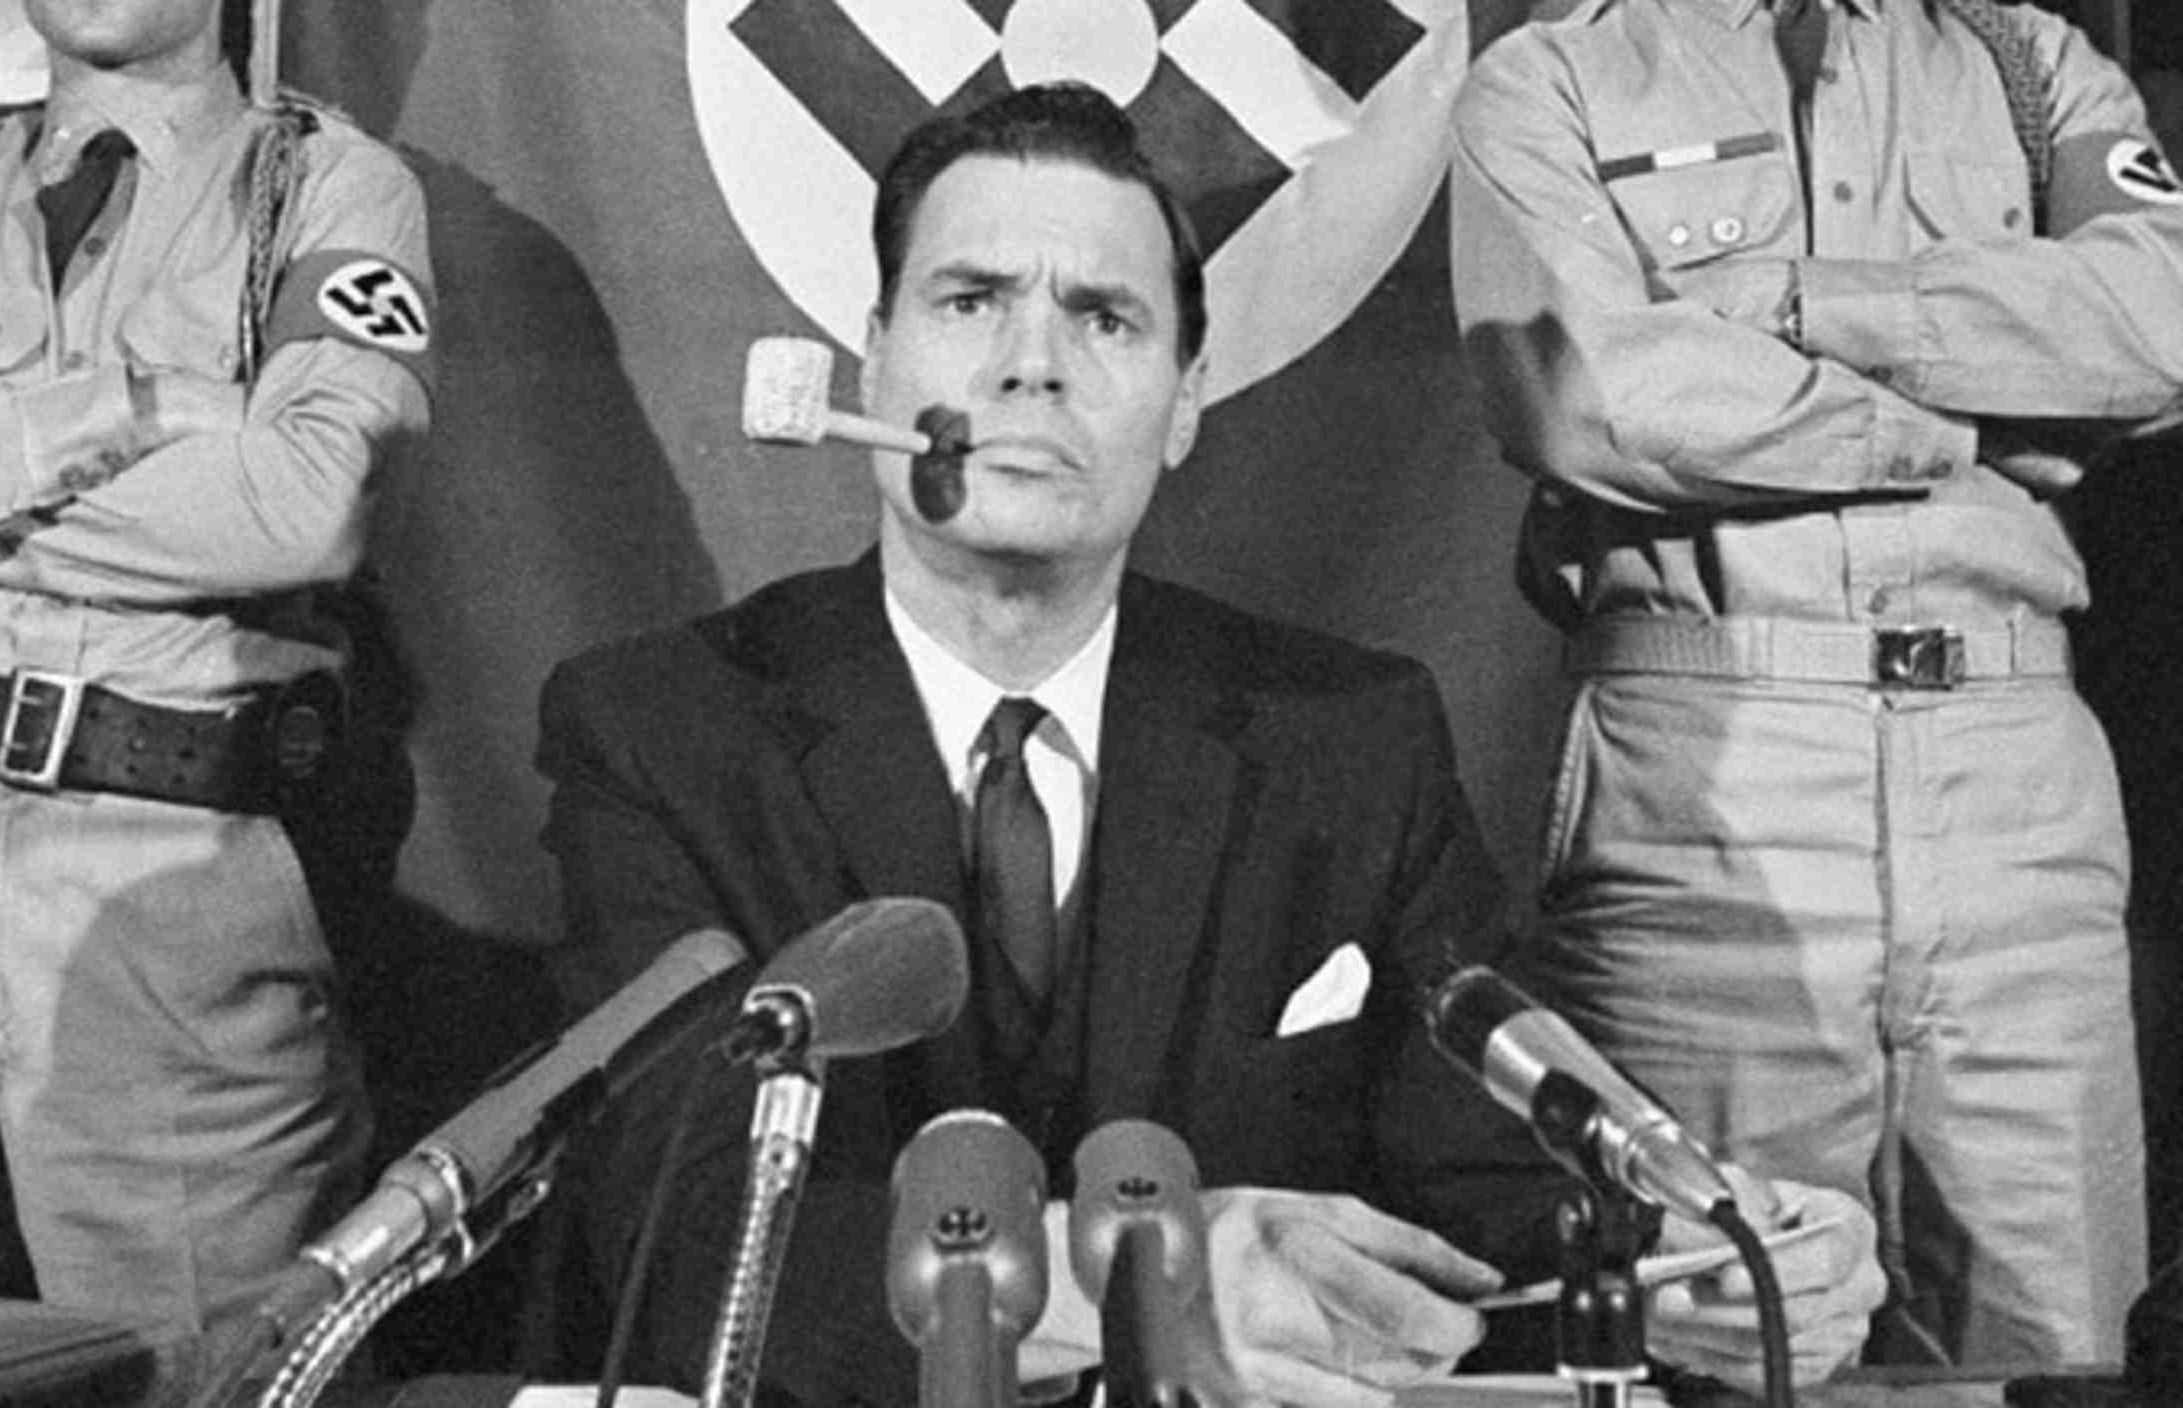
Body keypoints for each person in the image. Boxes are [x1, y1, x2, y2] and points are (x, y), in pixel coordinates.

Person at [539, 81, 1879, 1404]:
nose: (1033, 363)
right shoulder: (664, 730)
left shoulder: (1349, 741)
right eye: (968, 302)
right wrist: (1133, 1295)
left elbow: (1487, 1190)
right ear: (874, 355)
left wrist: (1675, 1273)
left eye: (1104, 317)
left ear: (1184, 405)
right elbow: (681, 1233)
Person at [1450, 0, 2183, 1367]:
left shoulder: (2034, 69)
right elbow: (1582, 390)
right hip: (1709, 780)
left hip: (2018, 789)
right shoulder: (1551, 79)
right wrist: (1959, 423)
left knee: (2061, 1349)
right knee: (1721, 1321)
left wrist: (1797, 305)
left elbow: (2160, 319)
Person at [0, 0, 433, 1331]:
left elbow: (301, 502)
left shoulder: (324, 189)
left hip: (167, 878)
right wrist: (120, 413)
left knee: (204, 1360)